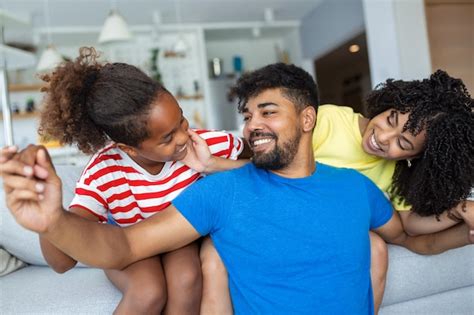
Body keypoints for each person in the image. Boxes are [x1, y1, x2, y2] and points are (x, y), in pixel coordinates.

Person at [1, 63, 471, 314]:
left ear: (309, 119)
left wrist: (463, 226)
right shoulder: (221, 191)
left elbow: (411, 236)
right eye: (247, 115)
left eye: (268, 111)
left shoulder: (356, 189)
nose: (253, 124)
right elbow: (122, 243)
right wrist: (55, 220)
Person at [25, 47, 248, 315]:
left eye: (181, 120)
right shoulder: (104, 171)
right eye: (166, 138)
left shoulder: (204, 144)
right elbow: (61, 262)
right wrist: (46, 214)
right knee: (147, 292)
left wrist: (214, 164)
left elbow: (268, 162)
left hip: (180, 242)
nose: (182, 138)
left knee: (186, 277)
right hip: (126, 246)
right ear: (128, 148)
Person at [312, 70, 474, 236]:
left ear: (414, 157)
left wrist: (458, 211)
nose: (383, 137)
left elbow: (410, 224)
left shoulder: (396, 173)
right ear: (389, 105)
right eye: (390, 120)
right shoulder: (329, 120)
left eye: (402, 143)